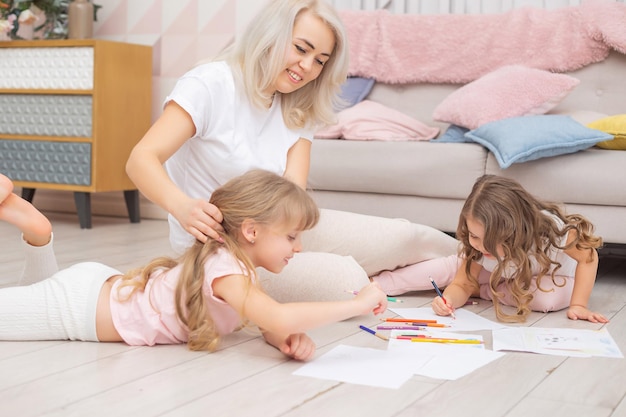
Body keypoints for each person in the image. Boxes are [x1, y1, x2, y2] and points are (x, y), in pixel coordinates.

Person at [125, 0, 459, 303]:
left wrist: (291, 238)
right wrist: (182, 207)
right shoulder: (210, 85)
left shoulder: (299, 105)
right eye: (301, 49)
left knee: (406, 235)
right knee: (348, 278)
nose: (308, 67)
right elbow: (141, 159)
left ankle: (490, 265)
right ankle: (416, 279)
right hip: (222, 250)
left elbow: (293, 195)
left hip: (280, 230)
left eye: (320, 61)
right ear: (271, 34)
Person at [0, 171, 388, 360]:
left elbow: (270, 321)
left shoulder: (234, 267)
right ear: (251, 231)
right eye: (291, 237)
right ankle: (39, 233)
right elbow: (278, 315)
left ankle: (40, 233)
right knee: (29, 303)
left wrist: (282, 339)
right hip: (76, 307)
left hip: (89, 291)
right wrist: (357, 305)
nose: (299, 248)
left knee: (32, 295)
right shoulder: (225, 269)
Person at [372, 175, 609, 323]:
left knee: (546, 299)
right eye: (474, 236)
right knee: (449, 267)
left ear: (516, 230)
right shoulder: (478, 244)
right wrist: (449, 300)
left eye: (492, 239)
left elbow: (588, 258)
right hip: (503, 270)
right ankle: (377, 285)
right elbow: (463, 283)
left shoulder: (553, 231)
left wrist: (579, 304)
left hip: (549, 277)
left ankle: (486, 290)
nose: (480, 245)